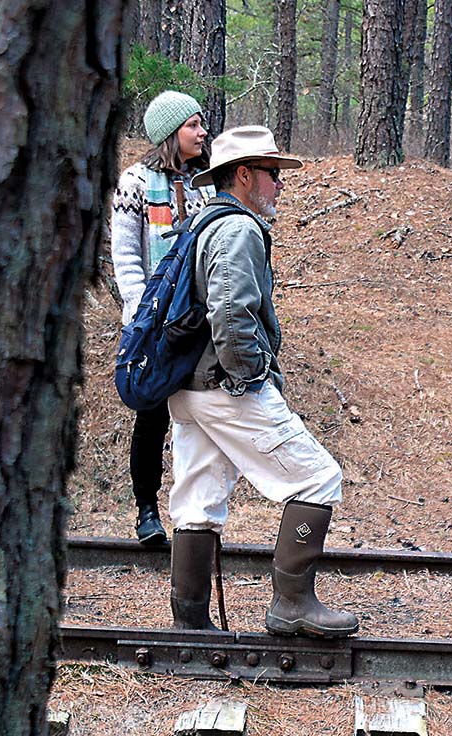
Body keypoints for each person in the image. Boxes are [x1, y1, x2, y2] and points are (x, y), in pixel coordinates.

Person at [165, 125, 359, 637]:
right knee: (317, 477)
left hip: (189, 386)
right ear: (245, 175)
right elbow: (231, 313)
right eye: (273, 173)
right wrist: (251, 378)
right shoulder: (238, 229)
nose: (279, 184)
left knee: (199, 498)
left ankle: (190, 625)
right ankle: (292, 603)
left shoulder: (201, 222)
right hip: (223, 384)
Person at [110, 90, 213, 546]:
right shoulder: (134, 182)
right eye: (193, 125)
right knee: (151, 416)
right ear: (171, 133)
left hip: (200, 318)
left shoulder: (209, 182)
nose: (202, 132)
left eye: (201, 123)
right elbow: (126, 255)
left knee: (203, 415)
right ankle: (147, 513)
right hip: (155, 320)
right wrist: (140, 314)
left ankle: (196, 517)